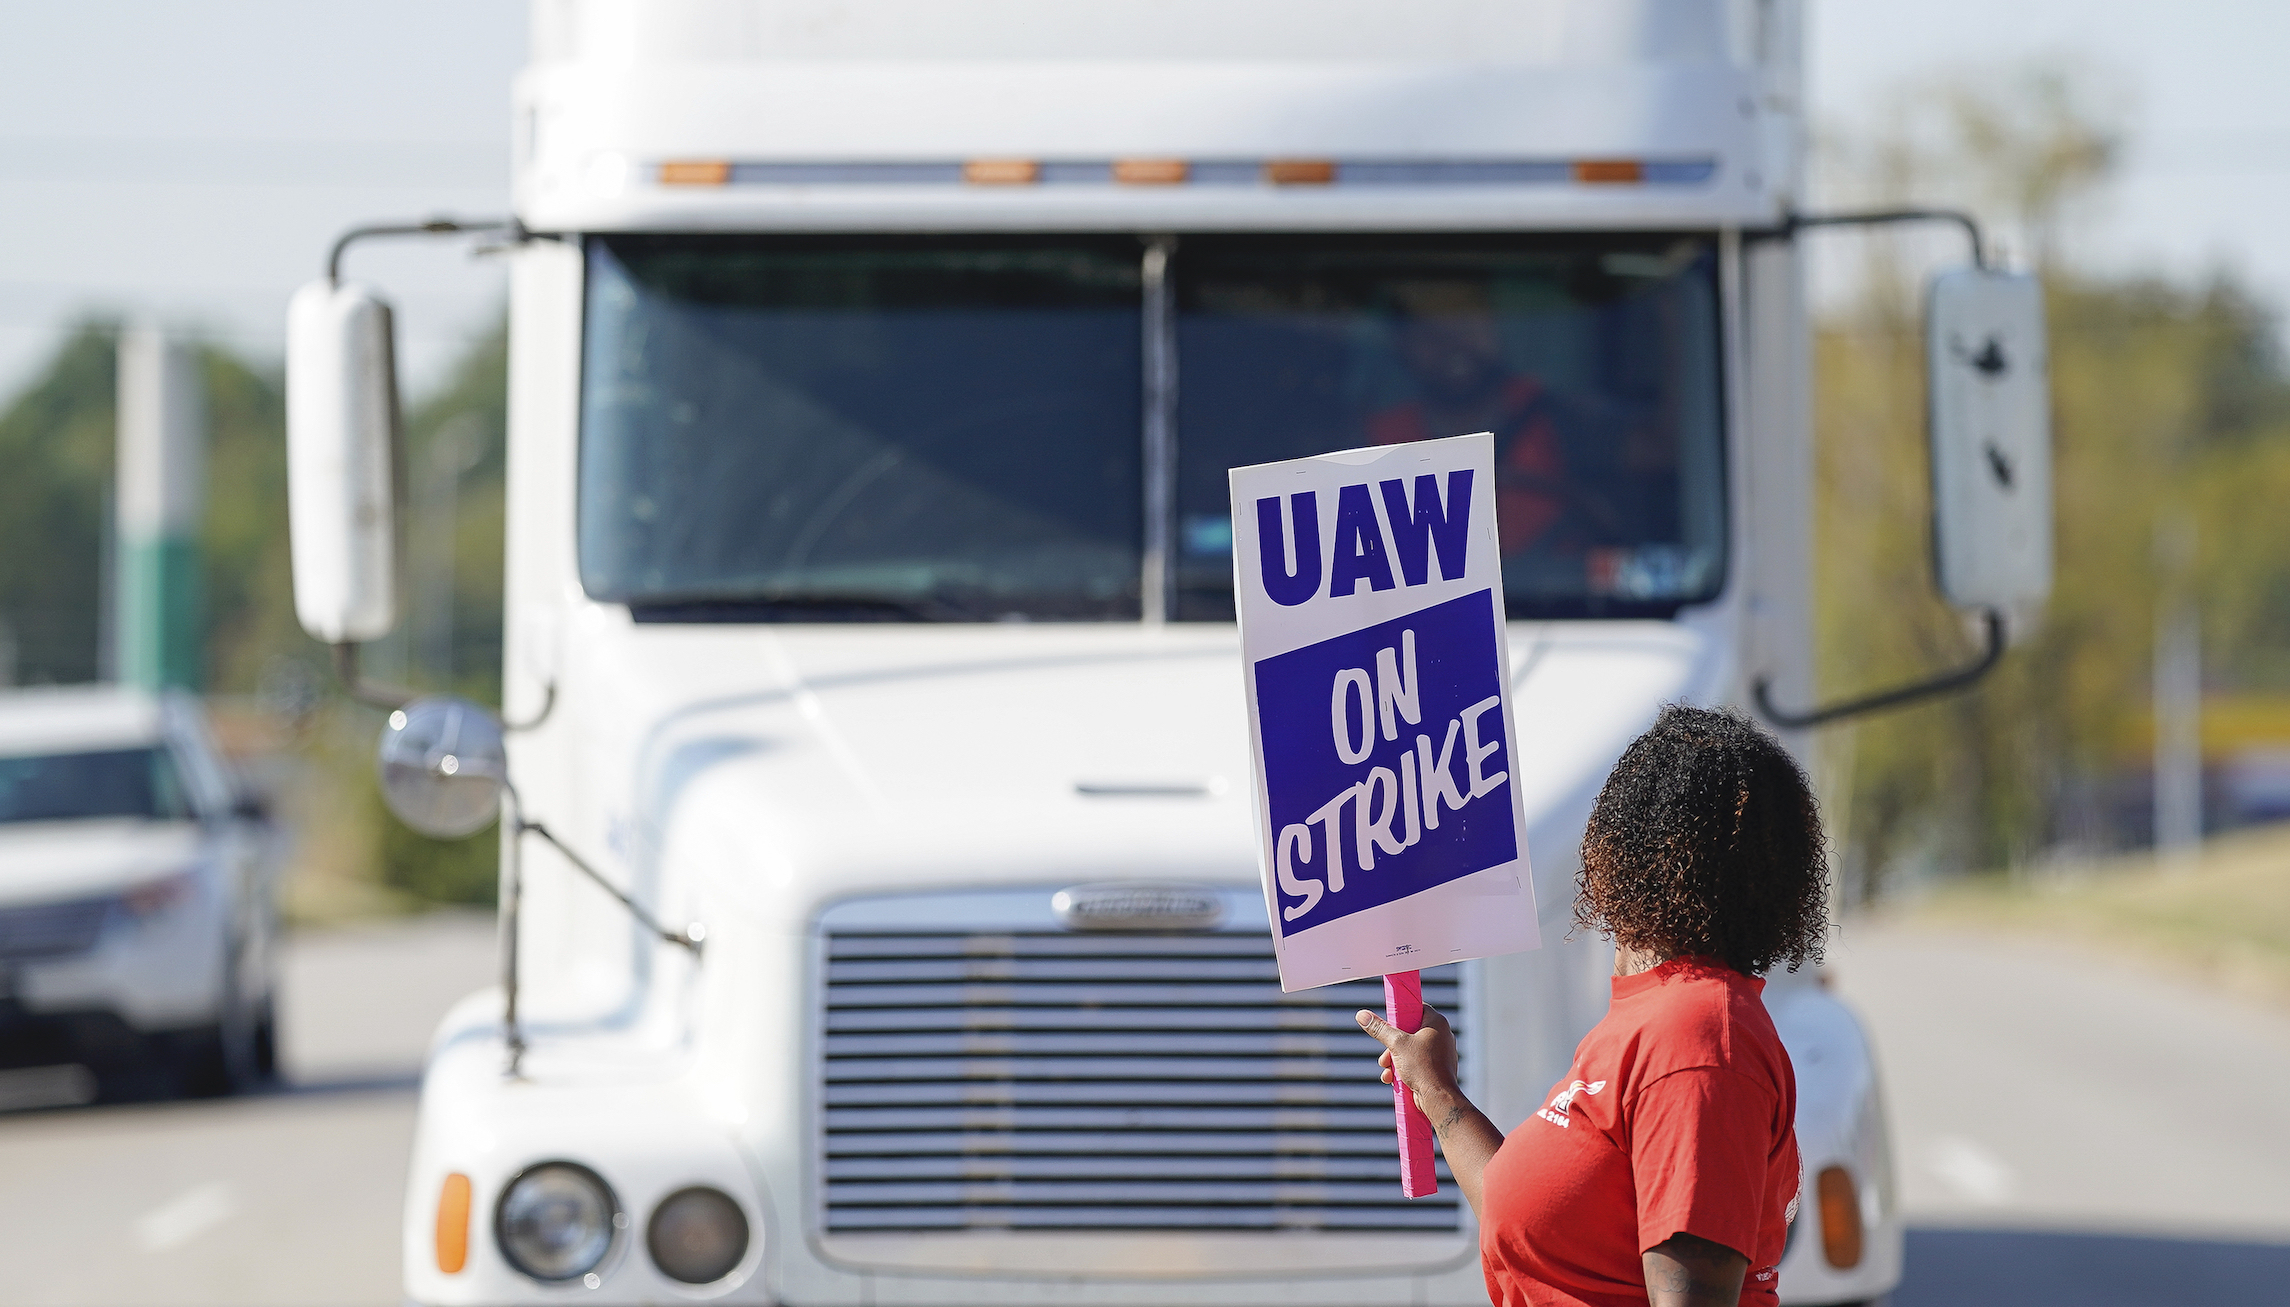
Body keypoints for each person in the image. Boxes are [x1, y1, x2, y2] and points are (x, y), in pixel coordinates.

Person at [1356, 706, 1829, 1307]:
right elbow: (1534, 1228)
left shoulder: (1698, 1038)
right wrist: (1440, 1096)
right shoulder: (1658, 1018)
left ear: (1615, 859)